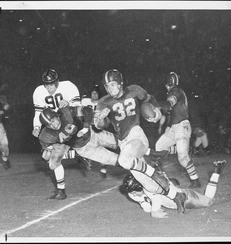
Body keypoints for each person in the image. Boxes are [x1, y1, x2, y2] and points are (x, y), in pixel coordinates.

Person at [94, 69, 187, 214]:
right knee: (149, 185)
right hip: (123, 143)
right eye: (107, 86)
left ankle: (151, 158)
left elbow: (149, 99)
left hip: (136, 135)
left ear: (120, 83)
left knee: (124, 160)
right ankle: (177, 196)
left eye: (113, 84)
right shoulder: (104, 102)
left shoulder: (134, 90)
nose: (110, 88)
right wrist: (100, 118)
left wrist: (156, 113)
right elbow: (98, 126)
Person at [38, 106, 120, 200]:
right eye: (49, 125)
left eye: (52, 121)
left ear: (56, 116)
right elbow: (45, 154)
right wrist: (47, 154)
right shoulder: (47, 135)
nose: (53, 125)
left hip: (93, 134)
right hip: (84, 149)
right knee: (118, 160)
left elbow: (87, 110)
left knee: (123, 143)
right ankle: (61, 191)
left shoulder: (66, 112)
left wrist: (85, 126)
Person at [32, 68, 84, 197]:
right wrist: (37, 127)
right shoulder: (39, 92)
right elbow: (38, 112)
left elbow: (78, 106)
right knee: (47, 156)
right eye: (47, 85)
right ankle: (61, 190)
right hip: (52, 125)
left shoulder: (68, 86)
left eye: (52, 85)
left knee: (81, 135)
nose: (49, 89)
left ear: (57, 82)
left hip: (67, 119)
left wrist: (69, 103)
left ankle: (80, 147)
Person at [123, 160, 227, 218]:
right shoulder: (132, 194)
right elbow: (146, 207)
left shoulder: (150, 188)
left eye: (135, 191)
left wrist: (154, 211)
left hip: (186, 198)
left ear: (141, 186)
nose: (133, 194)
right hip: (171, 199)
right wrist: (147, 204)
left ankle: (217, 171)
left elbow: (156, 201)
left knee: (208, 201)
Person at [155, 72, 201, 188]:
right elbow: (172, 114)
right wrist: (168, 127)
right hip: (174, 127)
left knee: (183, 158)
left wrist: (157, 105)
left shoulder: (175, 90)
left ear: (168, 84)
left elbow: (171, 102)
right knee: (159, 147)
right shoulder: (178, 92)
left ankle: (195, 180)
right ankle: (163, 177)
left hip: (182, 125)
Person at [81, 84, 108, 177]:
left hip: (98, 128)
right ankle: (87, 159)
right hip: (88, 127)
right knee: (85, 144)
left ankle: (103, 168)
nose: (94, 95)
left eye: (96, 93)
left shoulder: (102, 103)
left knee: (100, 147)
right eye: (93, 93)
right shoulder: (85, 101)